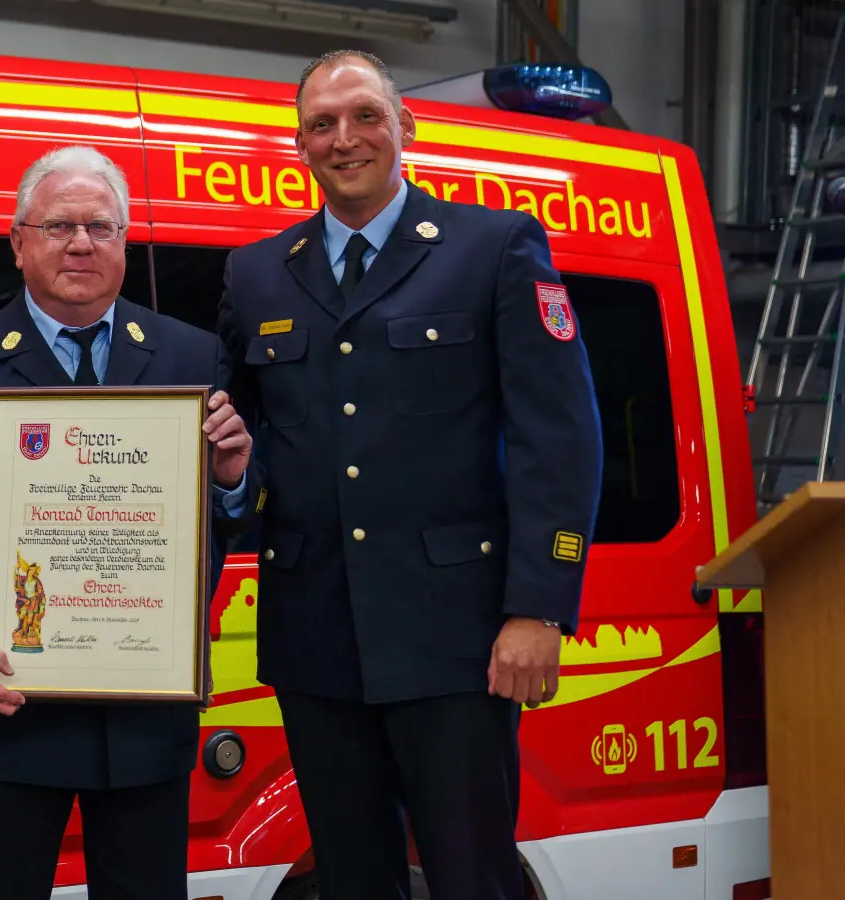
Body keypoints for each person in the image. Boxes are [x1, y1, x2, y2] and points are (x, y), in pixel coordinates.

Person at [215, 51, 604, 900]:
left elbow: (560, 437)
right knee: (352, 882)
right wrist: (236, 481)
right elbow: (242, 441)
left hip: (456, 644)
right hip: (316, 640)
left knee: (474, 879)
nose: (344, 139)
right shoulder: (254, 273)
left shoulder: (493, 247)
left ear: (406, 129)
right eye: (322, 124)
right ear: (301, 145)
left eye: (364, 117)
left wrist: (538, 607)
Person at [0, 145, 260, 900]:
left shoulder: (193, 355)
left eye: (101, 227)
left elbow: (221, 528)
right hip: (10, 708)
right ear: (19, 243)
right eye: (58, 226)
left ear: (123, 243)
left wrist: (232, 481)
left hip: (146, 718)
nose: (81, 243)